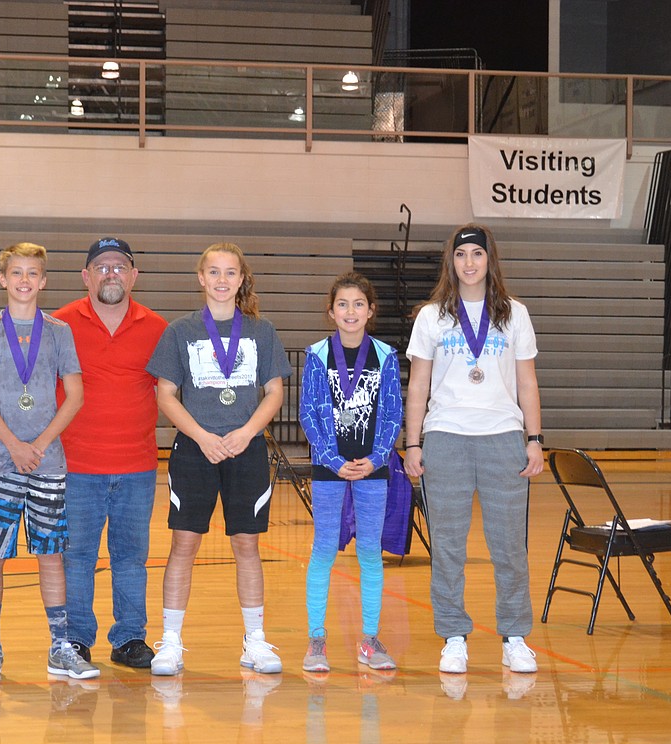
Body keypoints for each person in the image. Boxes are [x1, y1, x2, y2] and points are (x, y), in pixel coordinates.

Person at [403, 223, 545, 676]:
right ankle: (454, 636)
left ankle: (515, 636)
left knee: (509, 547)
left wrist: (535, 440)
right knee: (447, 546)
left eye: (477, 255)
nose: (469, 263)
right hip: (445, 437)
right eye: (461, 254)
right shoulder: (431, 316)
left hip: (504, 437)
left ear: (489, 260)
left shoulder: (514, 314)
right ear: (452, 261)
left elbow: (527, 381)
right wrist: (413, 443)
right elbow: (419, 385)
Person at [145, 242, 292, 676]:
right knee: (183, 545)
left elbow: (275, 393)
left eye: (230, 273)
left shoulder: (261, 332)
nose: (222, 280)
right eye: (214, 272)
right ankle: (170, 641)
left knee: (247, 546)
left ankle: (255, 640)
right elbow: (165, 395)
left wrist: (247, 433)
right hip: (195, 450)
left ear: (241, 279)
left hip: (246, 452)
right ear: (201, 278)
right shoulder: (180, 332)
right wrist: (203, 436)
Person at [0, 241, 97, 681]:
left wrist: (37, 444)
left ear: (43, 281)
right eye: (16, 273)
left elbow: (75, 395)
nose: (24, 281)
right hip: (2, 462)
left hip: (48, 462)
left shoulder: (59, 331)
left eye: (32, 274)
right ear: (3, 279)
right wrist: (15, 446)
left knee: (51, 554)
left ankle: (60, 647)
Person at [53, 237, 168, 669]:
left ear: (134, 276)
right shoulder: (60, 325)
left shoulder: (158, 328)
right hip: (77, 466)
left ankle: (129, 639)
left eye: (120, 266)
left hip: (137, 467)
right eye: (101, 266)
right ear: (86, 277)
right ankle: (77, 639)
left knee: (130, 558)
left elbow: (170, 393)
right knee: (77, 558)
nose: (111, 273)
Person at [298, 272, 403, 673]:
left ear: (370, 311)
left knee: (369, 554)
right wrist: (329, 457)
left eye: (359, 303)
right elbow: (308, 412)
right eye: (343, 304)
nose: (351, 311)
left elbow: (393, 413)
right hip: (329, 468)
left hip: (371, 469)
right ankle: (316, 641)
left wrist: (377, 458)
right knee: (323, 550)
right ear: (331, 311)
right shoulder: (318, 356)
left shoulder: (387, 356)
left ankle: (371, 640)